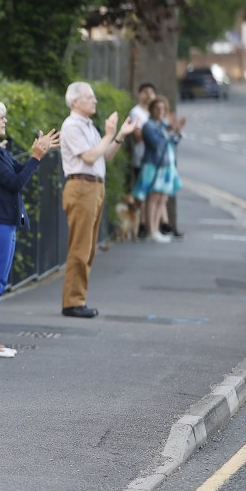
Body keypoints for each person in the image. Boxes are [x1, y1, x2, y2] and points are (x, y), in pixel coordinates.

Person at [0, 99, 59, 357]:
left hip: (3, 220)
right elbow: (16, 182)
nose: (4, 120)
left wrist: (37, 154)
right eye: (0, 116)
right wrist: (36, 156)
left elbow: (19, 170)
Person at [59, 82, 136, 318]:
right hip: (81, 186)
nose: (95, 101)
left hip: (94, 186)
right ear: (75, 102)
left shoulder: (88, 126)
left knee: (89, 247)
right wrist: (109, 134)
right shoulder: (72, 126)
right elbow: (91, 157)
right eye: (89, 97)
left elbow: (106, 156)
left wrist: (119, 136)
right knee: (80, 246)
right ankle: (72, 302)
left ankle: (77, 298)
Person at [132, 95, 185, 243]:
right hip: (153, 165)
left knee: (162, 198)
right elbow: (157, 144)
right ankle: (151, 230)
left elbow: (173, 142)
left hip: (166, 166)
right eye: (157, 108)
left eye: (163, 108)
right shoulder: (148, 125)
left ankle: (156, 229)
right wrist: (169, 130)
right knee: (152, 198)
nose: (160, 111)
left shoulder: (163, 125)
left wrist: (177, 131)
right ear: (151, 110)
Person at [129, 83, 157, 238]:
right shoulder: (136, 112)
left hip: (154, 160)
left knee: (153, 195)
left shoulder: (154, 113)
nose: (148, 95)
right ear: (139, 94)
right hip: (141, 158)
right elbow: (138, 137)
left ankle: (148, 226)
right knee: (141, 194)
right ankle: (140, 226)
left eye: (151, 92)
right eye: (145, 92)